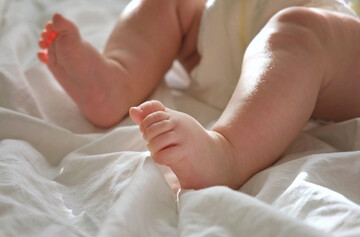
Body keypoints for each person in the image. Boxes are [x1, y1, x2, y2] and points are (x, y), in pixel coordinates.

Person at [38, 0, 360, 190]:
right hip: (232, 21)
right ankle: (117, 80)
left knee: (298, 29)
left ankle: (227, 153)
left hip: (334, 36)